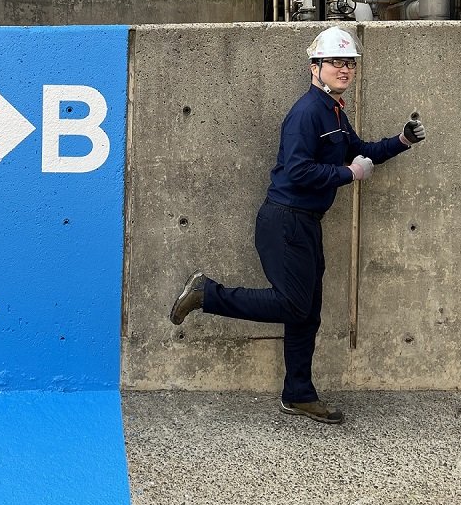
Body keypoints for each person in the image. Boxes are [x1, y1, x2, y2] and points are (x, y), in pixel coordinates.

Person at [169, 26, 426, 425]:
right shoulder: (306, 113)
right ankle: (207, 294)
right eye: (336, 62)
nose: (345, 69)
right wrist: (348, 174)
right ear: (315, 67)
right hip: (286, 221)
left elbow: (361, 150)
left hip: (305, 223)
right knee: (293, 304)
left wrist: (401, 141)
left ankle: (299, 394)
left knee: (306, 314)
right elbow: (299, 170)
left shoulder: (334, 112)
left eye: (350, 63)